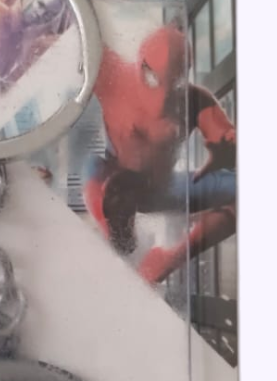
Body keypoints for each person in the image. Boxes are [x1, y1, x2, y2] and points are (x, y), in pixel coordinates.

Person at [84, 23, 237, 283]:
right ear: (141, 66)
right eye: (153, 79)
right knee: (92, 165)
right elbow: (71, 33)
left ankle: (165, 260)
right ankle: (113, 234)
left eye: (174, 84)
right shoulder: (112, 74)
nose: (162, 99)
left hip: (160, 188)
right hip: (116, 182)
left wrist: (225, 147)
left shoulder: (195, 101)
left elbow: (227, 141)